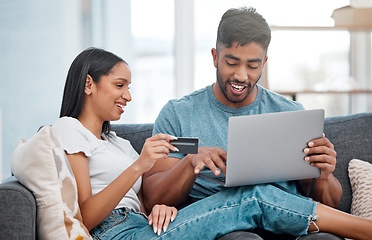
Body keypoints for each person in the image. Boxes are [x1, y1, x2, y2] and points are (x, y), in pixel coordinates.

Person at [53, 47, 372, 240]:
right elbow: (87, 215)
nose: (129, 96)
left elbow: (152, 186)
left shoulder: (116, 141)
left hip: (143, 225)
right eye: (120, 85)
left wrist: (160, 205)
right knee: (253, 197)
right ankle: (364, 229)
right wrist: (140, 164)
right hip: (117, 232)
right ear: (89, 84)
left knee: (252, 194)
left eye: (130, 86)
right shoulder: (70, 129)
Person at [142, 6, 372, 240]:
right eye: (232, 62)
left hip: (291, 228)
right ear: (214, 57)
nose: (241, 76)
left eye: (252, 66)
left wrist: (323, 176)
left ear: (264, 63)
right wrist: (190, 162)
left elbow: (328, 204)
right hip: (225, 229)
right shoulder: (179, 114)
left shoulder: (291, 113)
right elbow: (154, 198)